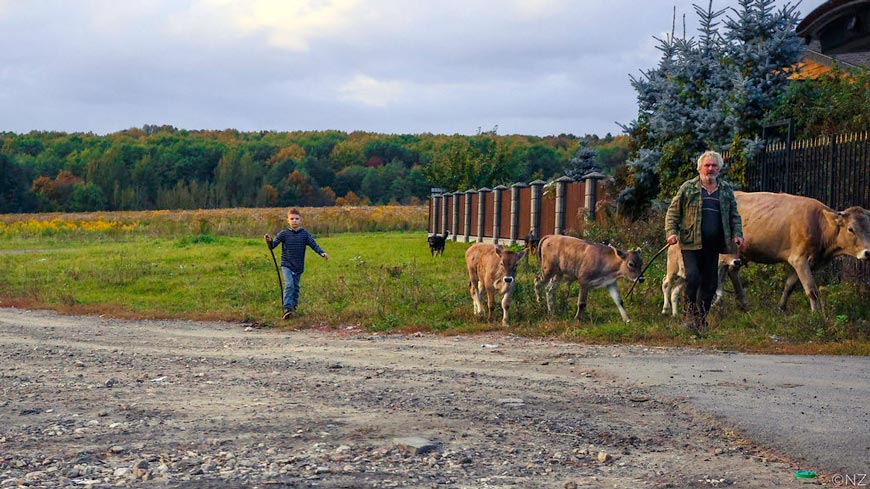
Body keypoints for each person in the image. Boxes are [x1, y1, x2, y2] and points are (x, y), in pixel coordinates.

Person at [665, 151, 744, 334]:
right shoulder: (688, 188)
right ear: (699, 168)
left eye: (714, 166)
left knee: (710, 283)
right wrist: (671, 232)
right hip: (691, 243)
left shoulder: (725, 190)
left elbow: (734, 215)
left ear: (719, 169)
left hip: (714, 245)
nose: (710, 169)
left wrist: (738, 234)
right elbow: (673, 212)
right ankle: (688, 314)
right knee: (693, 277)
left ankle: (700, 320)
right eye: (707, 165)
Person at [265, 208, 329, 319]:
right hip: (287, 264)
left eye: (296, 219)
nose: (294, 221)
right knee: (289, 285)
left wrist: (321, 252)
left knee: (295, 287)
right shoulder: (284, 233)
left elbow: (314, 245)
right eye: (292, 219)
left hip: (298, 266)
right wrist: (269, 241)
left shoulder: (304, 234)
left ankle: (293, 308)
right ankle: (287, 308)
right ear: (288, 220)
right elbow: (273, 246)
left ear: (300, 220)